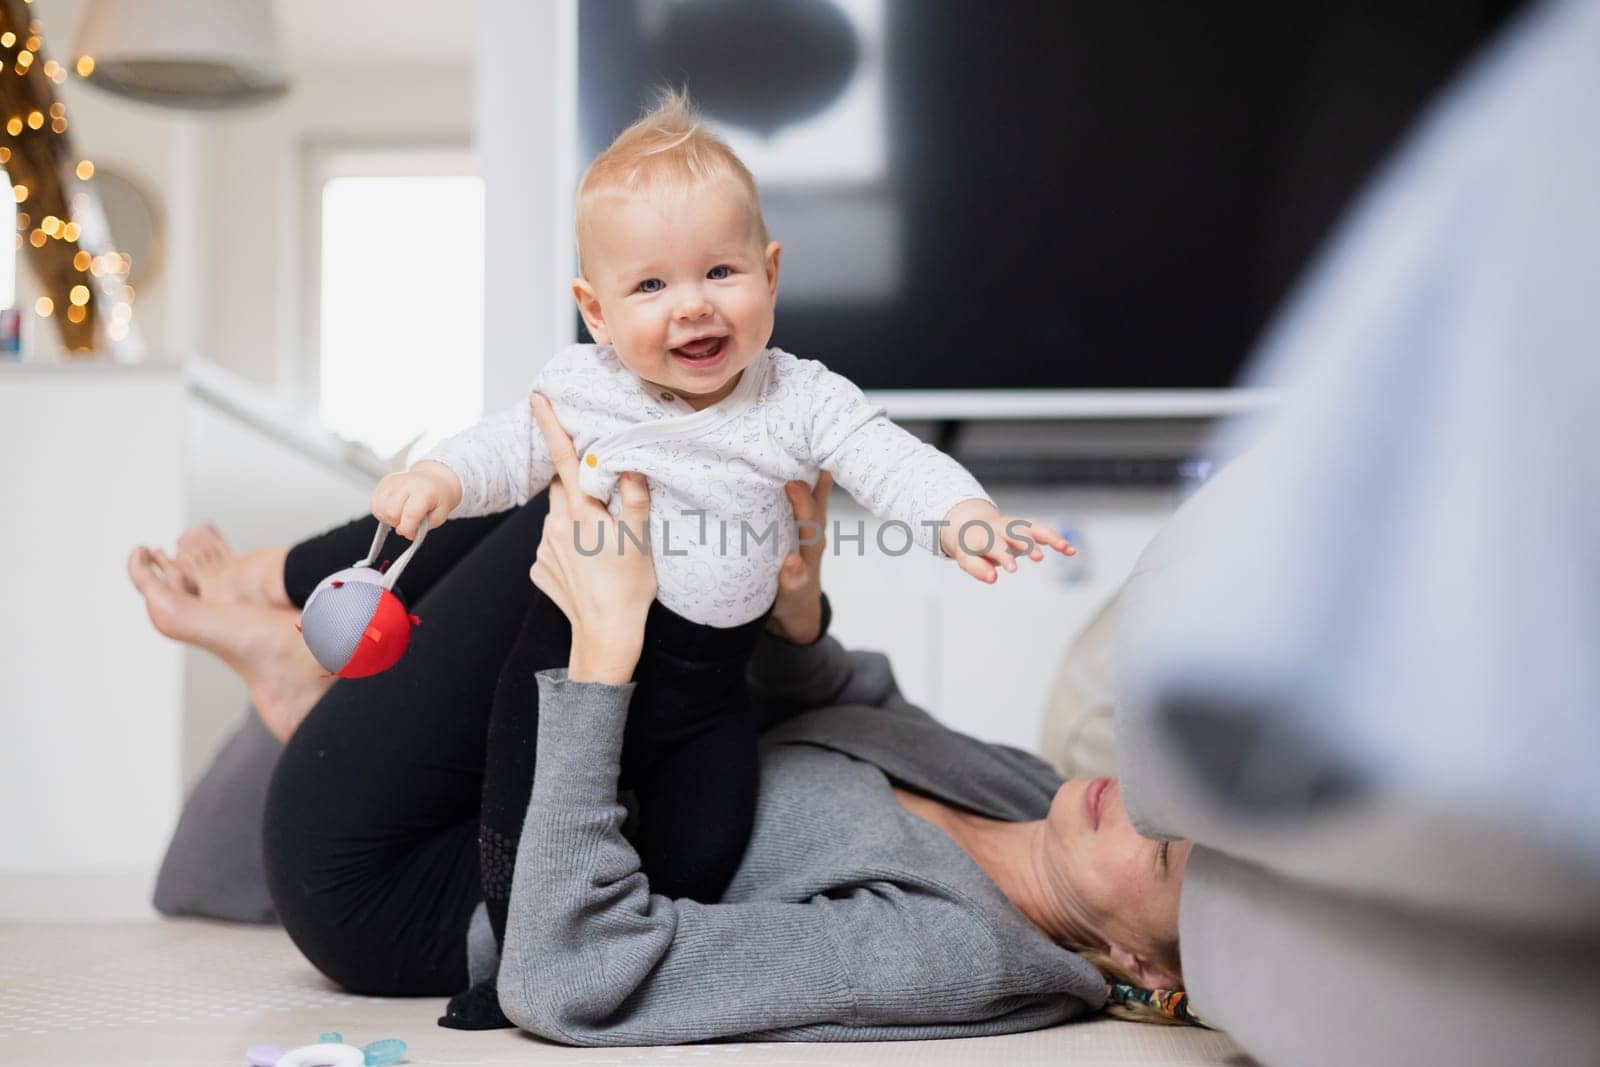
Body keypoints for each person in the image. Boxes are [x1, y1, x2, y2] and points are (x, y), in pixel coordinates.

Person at [125, 400, 1195, 1044]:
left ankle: (284, 604)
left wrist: (602, 652)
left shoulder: (955, 955)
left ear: (1146, 968)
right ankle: (289, 610)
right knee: (599, 431)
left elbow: (570, 967)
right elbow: (840, 699)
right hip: (527, 774)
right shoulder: (1024, 788)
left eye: (1167, 857)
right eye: (1181, 800)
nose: (1146, 806)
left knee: (620, 469)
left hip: (411, 886)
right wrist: (797, 606)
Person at [362, 87, 1074, 997]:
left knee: (706, 844)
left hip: (707, 685)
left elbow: (885, 455)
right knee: (526, 798)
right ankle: (509, 947)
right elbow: (507, 447)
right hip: (569, 662)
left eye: (721, 273)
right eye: (651, 285)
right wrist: (437, 479)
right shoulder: (587, 386)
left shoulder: (800, 396)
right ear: (596, 309)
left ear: (770, 274)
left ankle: (614, 933)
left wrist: (965, 516)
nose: (692, 307)